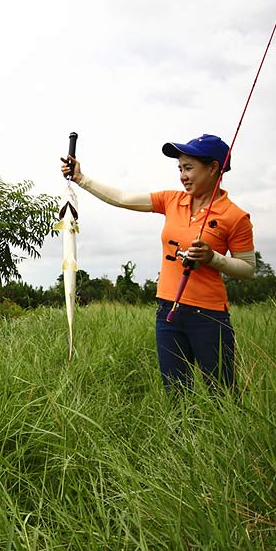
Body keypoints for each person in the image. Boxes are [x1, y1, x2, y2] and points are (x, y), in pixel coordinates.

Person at [60, 134, 255, 394]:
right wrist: (81, 178)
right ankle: (181, 436)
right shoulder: (172, 200)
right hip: (168, 314)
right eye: (180, 169)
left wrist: (213, 258)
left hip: (209, 317)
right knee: (175, 394)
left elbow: (247, 269)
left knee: (222, 395)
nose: (183, 176)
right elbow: (123, 198)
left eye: (189, 168)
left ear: (213, 168)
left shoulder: (235, 216)